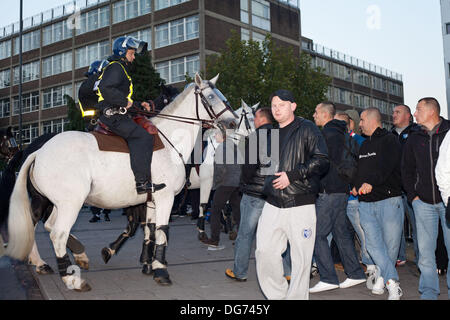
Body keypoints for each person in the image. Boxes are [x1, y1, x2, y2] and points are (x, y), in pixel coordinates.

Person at [255, 89, 329, 300]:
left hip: (301, 202)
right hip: (273, 202)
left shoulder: (308, 128)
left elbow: (323, 159)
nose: (277, 109)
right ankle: (277, 296)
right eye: (274, 106)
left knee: (302, 259)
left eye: (282, 105)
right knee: (264, 253)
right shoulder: (271, 135)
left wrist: (294, 175)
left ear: (293, 106)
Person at [96, 36, 165, 194]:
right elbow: (106, 89)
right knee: (143, 137)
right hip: (113, 116)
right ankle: (142, 183)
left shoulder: (119, 68)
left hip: (116, 113)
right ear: (122, 52)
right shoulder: (116, 67)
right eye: (131, 53)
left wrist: (139, 104)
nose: (133, 57)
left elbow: (122, 98)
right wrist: (123, 101)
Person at [309, 103, 366, 293]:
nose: (314, 115)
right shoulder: (341, 133)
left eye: (316, 112)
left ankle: (328, 277)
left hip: (330, 191)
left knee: (317, 234)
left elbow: (322, 164)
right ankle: (356, 273)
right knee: (341, 233)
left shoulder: (328, 134)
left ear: (325, 115)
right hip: (341, 190)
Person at [354, 107, 404, 300]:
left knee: (390, 247)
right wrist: (355, 185)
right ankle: (393, 282)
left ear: (374, 120)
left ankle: (383, 279)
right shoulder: (364, 145)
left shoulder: (390, 140)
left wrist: (370, 182)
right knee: (374, 246)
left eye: (362, 120)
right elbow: (360, 171)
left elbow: (387, 166)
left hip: (389, 201)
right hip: (366, 203)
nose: (360, 124)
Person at [403, 97, 450, 300]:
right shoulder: (414, 137)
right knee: (425, 251)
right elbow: (406, 169)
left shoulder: (449, 132)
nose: (415, 114)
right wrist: (413, 196)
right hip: (423, 203)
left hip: (448, 202)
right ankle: (429, 292)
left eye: (418, 109)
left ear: (432, 111)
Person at [225, 107, 274, 281]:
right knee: (277, 234)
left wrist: (243, 183)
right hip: (275, 193)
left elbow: (248, 166)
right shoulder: (281, 135)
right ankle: (288, 271)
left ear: (261, 119)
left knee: (245, 233)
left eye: (255, 119)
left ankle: (240, 271)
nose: (253, 122)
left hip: (254, 192)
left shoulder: (256, 137)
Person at [335, 110, 377, 286]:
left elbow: (364, 167)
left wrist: (356, 185)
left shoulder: (358, 142)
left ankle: (371, 265)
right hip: (339, 196)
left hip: (353, 198)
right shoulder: (337, 142)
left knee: (363, 231)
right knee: (337, 232)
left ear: (347, 124)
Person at [201, 130, 242, 250]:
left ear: (223, 136)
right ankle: (242, 238)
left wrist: (216, 184)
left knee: (215, 210)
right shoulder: (233, 145)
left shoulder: (221, 148)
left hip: (225, 183)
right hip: (236, 183)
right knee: (237, 210)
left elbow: (220, 169)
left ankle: (214, 239)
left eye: (217, 134)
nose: (215, 136)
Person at [391, 104, 420, 266]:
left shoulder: (417, 133)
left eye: (398, 112)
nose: (394, 115)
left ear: (408, 115)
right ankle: (399, 255)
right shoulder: (390, 134)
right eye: (393, 112)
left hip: (412, 189)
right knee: (395, 226)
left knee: (418, 226)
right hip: (394, 189)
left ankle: (421, 259)